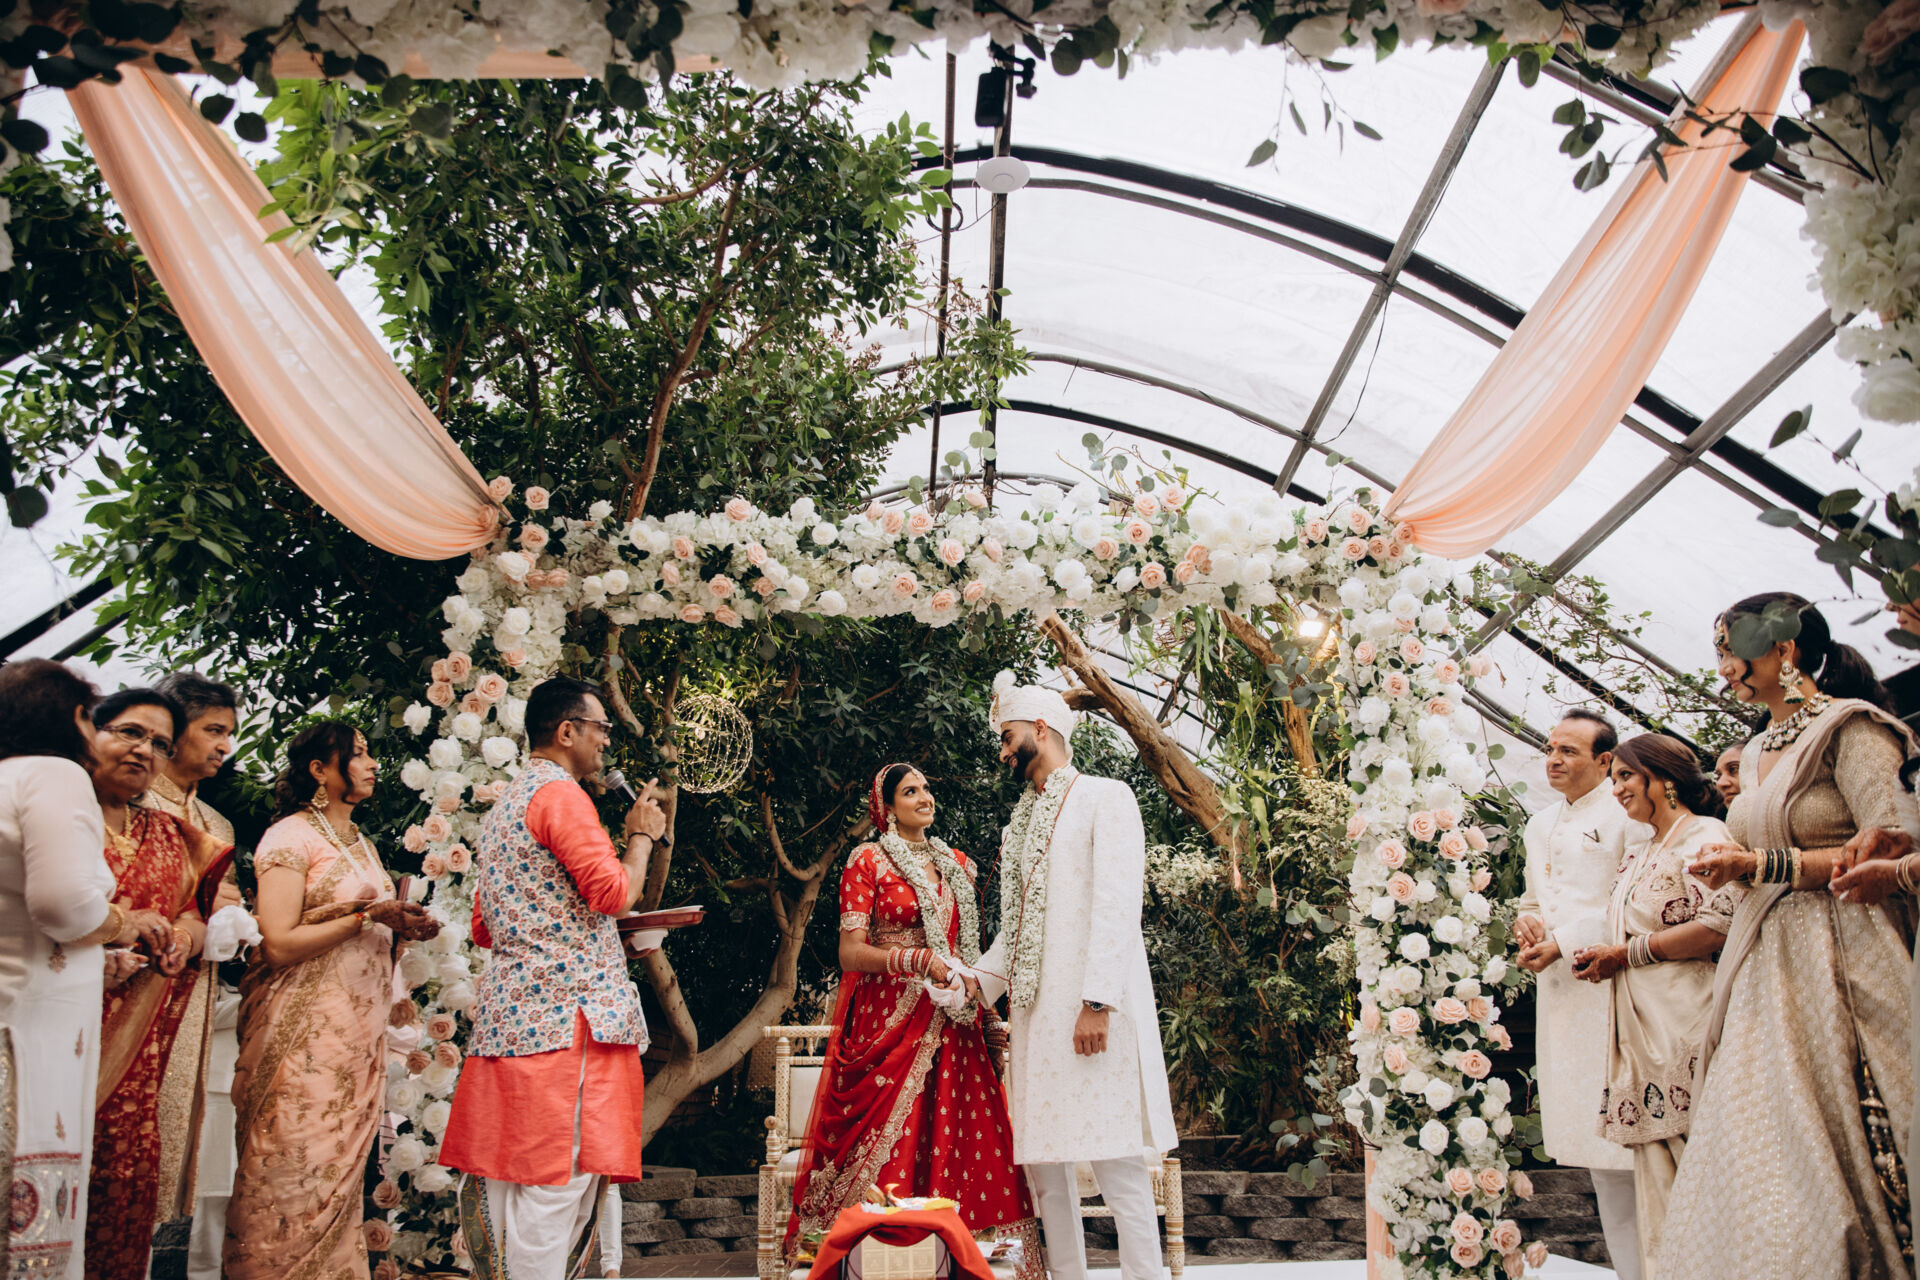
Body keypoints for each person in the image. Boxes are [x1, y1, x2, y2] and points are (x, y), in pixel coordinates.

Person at [1660, 593, 1919, 1279]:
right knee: (1755, 1140)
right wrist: (1734, 870)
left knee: (1833, 1143)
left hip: (1844, 953)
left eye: (1732, 651)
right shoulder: (1754, 751)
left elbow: (1893, 851)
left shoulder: (1853, 730)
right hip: (1763, 964)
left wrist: (1759, 865)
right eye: (1718, 653)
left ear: (1785, 650)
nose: (1724, 668)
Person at [439, 676, 667, 1280]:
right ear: (567, 731)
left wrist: (593, 939)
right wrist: (640, 837)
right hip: (569, 1024)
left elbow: (487, 925)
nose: (606, 742)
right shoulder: (562, 797)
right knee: (556, 1183)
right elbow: (614, 893)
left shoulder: (507, 805)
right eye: (601, 729)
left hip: (511, 1019)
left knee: (513, 1181)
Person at [788, 764, 1036, 1265]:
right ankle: (873, 1264)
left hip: (955, 1024)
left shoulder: (958, 864)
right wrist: (916, 960)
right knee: (889, 1150)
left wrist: (986, 1014)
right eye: (909, 791)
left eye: (925, 788)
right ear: (887, 807)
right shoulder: (868, 861)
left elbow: (969, 952)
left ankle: (962, 1264)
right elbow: (850, 953)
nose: (924, 797)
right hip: (890, 1025)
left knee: (963, 1147)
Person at [972, 674, 1177, 1280]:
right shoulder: (1018, 825)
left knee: (1117, 1166)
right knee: (1046, 1171)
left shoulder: (1104, 797)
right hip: (1035, 1021)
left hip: (1091, 1016)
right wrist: (973, 984)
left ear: (1041, 729)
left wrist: (1097, 1002)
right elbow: (1016, 927)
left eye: (1007, 736)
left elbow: (1117, 904)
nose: (1002, 752)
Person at [223, 721, 439, 1279]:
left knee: (336, 1179)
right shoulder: (289, 837)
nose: (372, 764)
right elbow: (277, 943)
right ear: (320, 770)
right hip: (300, 1038)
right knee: (291, 1170)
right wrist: (366, 917)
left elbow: (362, 927)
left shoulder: (361, 843)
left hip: (354, 1039)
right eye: (358, 754)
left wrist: (401, 925)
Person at [0, 660, 170, 1279]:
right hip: (30, 1030)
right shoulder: (55, 774)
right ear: (72, 717)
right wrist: (125, 922)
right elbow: (61, 904)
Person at [1570, 734, 1740, 1280]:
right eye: (1614, 778)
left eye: (1625, 776)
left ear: (1663, 780)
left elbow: (1719, 925)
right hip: (1638, 1032)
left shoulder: (1705, 836)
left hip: (1687, 1022)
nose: (1616, 788)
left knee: (1700, 1171)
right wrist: (1604, 955)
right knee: (1656, 1183)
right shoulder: (1640, 850)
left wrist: (1625, 954)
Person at [85, 687, 231, 1280]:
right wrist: (122, 927)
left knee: (126, 1168)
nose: (145, 750)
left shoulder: (181, 833)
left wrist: (182, 939)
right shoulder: (59, 812)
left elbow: (194, 914)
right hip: (62, 1019)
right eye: (130, 733)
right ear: (88, 732)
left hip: (150, 1028)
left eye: (159, 743)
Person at [1511, 708, 1643, 1279]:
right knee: (1596, 1151)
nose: (1554, 760)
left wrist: (1564, 941)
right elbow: (1533, 899)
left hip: (1616, 990)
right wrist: (1529, 925)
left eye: (1569, 750)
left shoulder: (1627, 814)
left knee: (1632, 1143)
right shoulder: (1538, 824)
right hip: (1562, 998)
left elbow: (1632, 898)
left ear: (1605, 760)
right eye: (1550, 748)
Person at [145, 671, 242, 1278]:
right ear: (173, 729)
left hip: (197, 992)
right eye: (212, 731)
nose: (224, 746)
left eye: (229, 733)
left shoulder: (217, 823)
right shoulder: (134, 802)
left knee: (181, 1134)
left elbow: (226, 906)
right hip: (138, 984)